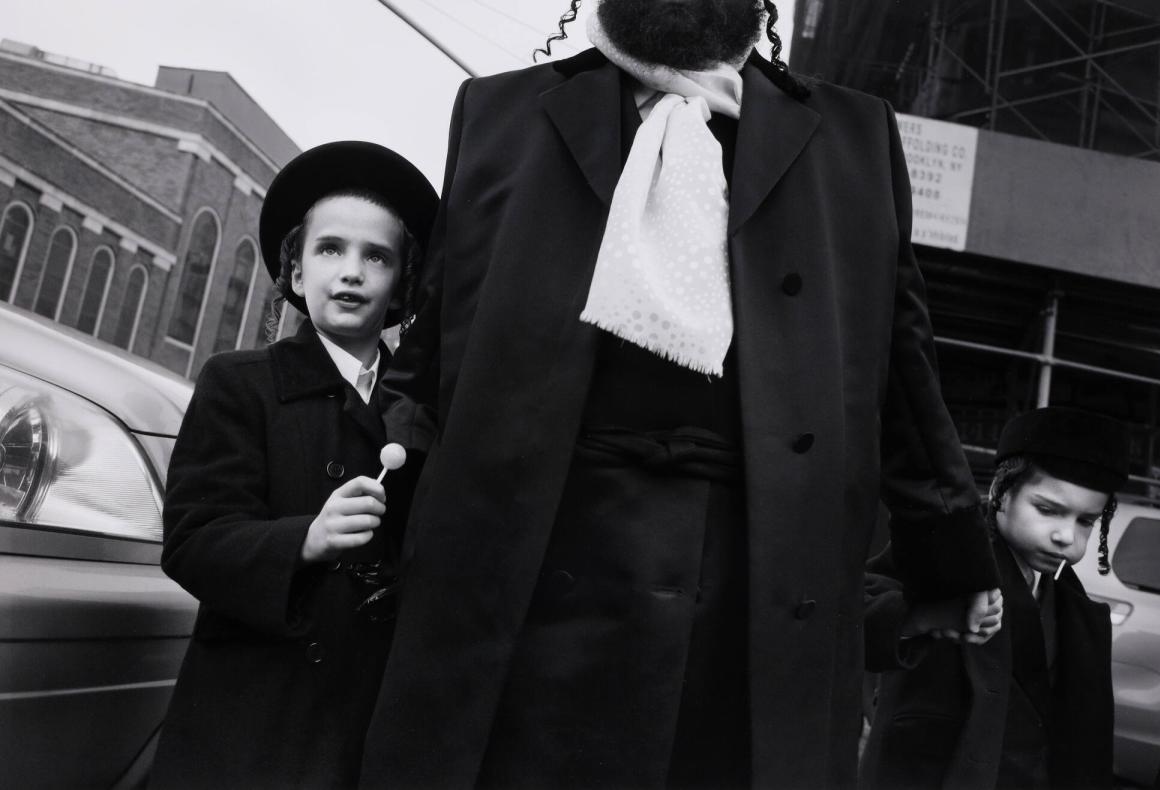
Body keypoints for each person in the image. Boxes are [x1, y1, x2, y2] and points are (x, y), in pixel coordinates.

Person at [361, 1, 1000, 787]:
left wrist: (951, 567)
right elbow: (429, 350)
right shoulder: (500, 112)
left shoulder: (855, 137)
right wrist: (375, 513)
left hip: (756, 588)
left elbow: (903, 369)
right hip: (524, 584)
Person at [149, 141, 437, 789]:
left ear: (401, 289)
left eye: (377, 256)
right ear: (298, 273)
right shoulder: (238, 384)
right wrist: (304, 539)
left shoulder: (423, 410)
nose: (352, 271)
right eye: (330, 249)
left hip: (364, 721)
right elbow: (192, 543)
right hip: (251, 721)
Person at [860, 406, 1131, 790]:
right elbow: (854, 614)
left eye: (1085, 521)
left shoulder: (1074, 606)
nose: (1066, 536)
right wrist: (925, 615)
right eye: (1047, 510)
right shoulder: (946, 553)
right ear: (1000, 491)